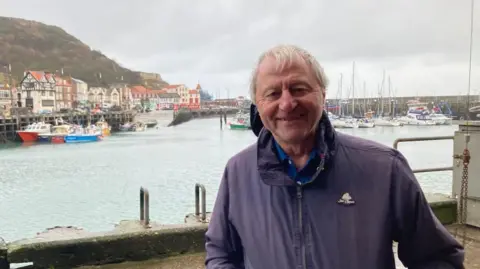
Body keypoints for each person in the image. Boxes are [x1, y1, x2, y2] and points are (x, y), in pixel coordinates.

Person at [205, 44, 464, 269]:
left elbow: (437, 257)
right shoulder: (238, 172)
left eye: (298, 88)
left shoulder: (384, 169)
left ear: (322, 94)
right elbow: (220, 252)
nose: (287, 103)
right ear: (258, 105)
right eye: (273, 93)